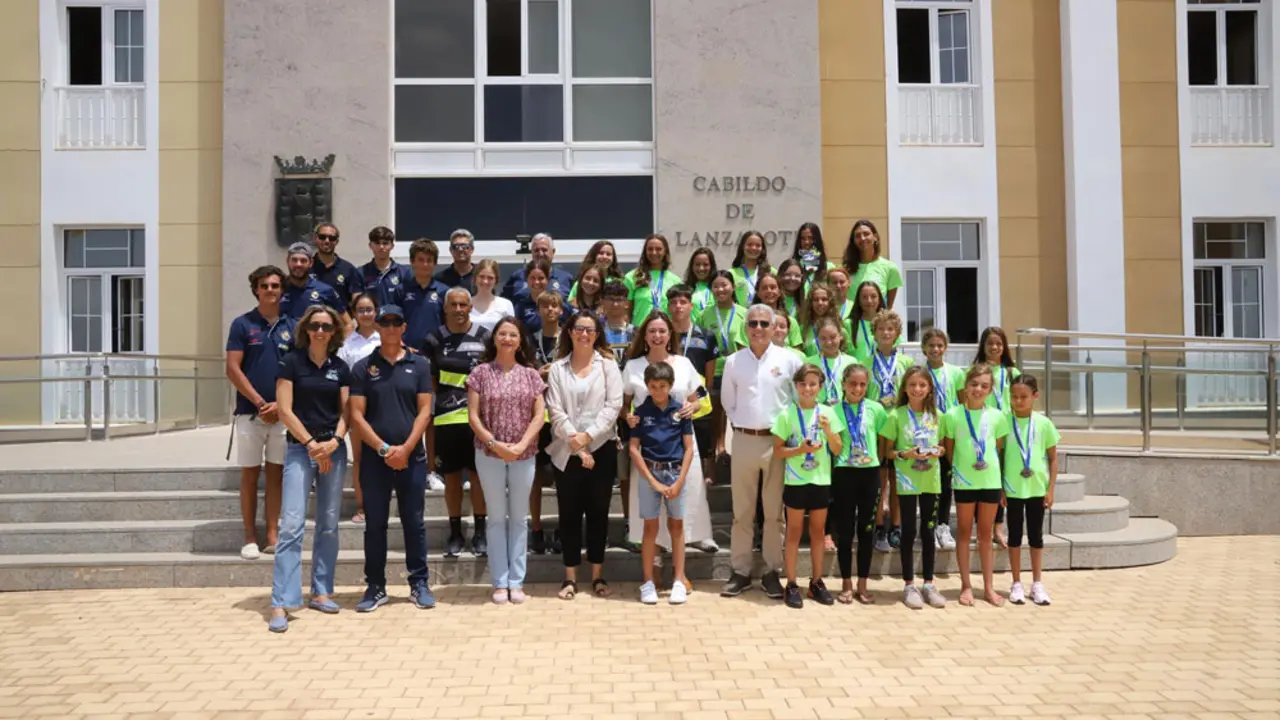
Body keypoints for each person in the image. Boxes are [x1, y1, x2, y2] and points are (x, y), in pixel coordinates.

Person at [348, 304, 435, 612]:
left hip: (412, 457)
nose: (390, 327)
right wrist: (384, 450)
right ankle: (375, 586)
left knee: (414, 523)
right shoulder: (363, 367)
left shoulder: (419, 364)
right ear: (377, 327)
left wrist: (406, 449)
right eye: (384, 322)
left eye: (396, 322)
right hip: (376, 460)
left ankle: (419, 583)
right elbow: (356, 415)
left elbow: (425, 411)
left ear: (404, 327)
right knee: (375, 525)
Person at [268, 305, 350, 633]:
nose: (320, 331)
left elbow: (347, 413)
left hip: (333, 451)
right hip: (300, 450)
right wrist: (312, 444)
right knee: (291, 525)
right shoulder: (291, 362)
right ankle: (282, 600)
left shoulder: (340, 367)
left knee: (328, 524)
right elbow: (284, 410)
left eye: (326, 327)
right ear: (306, 329)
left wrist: (334, 442)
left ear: (334, 332)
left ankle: (321, 591)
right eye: (315, 325)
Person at [720, 304, 803, 599]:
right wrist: (744, 424)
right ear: (746, 327)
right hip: (744, 439)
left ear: (773, 327)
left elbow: (796, 401)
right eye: (752, 323)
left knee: (773, 513)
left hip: (777, 443)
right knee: (742, 512)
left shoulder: (789, 360)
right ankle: (740, 571)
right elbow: (728, 402)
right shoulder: (733, 361)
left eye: (764, 324)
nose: (758, 328)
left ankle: (771, 571)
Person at [622, 312, 715, 575]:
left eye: (662, 331)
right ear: (644, 335)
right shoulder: (633, 366)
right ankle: (655, 565)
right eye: (652, 331)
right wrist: (627, 416)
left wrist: (693, 406)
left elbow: (701, 398)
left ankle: (679, 572)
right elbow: (623, 404)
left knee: (680, 509)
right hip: (647, 449)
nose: (657, 336)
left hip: (680, 447)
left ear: (670, 334)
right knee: (651, 514)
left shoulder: (684, 364)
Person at [467, 318, 547, 605]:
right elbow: (473, 416)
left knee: (519, 518)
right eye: (502, 334)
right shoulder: (480, 373)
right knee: (496, 518)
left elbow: (539, 415)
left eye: (513, 334)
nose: (507, 339)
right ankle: (500, 581)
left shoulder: (531, 375)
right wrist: (494, 444)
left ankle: (517, 581)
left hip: (524, 454)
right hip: (489, 453)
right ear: (495, 338)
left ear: (520, 340)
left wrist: (522, 444)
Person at [545, 311, 624, 599]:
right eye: (579, 328)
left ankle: (597, 576)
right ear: (570, 332)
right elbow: (555, 410)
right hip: (566, 451)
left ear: (597, 334)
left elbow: (613, 406)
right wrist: (577, 445)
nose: (584, 334)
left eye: (590, 330)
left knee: (598, 514)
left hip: (601, 448)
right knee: (568, 514)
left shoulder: (608, 366)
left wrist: (588, 438)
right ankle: (570, 578)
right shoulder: (557, 368)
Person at [224, 265, 295, 560]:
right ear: (256, 289)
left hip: (283, 415)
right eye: (264, 285)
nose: (270, 290)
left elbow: (298, 371)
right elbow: (233, 368)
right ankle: (250, 537)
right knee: (250, 476)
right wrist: (259, 402)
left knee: (276, 475)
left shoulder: (293, 326)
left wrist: (280, 405)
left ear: (282, 290)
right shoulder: (242, 324)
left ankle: (272, 535)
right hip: (250, 414)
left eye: (275, 285)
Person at [422, 288, 490, 558]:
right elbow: (430, 383)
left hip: (479, 421)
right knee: (451, 479)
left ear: (470, 307)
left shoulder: (485, 337)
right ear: (445, 308)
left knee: (478, 477)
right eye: (454, 304)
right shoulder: (433, 339)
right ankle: (455, 533)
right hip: (447, 420)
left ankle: (481, 533)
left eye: (463, 304)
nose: (459, 309)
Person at [771, 363, 844, 609]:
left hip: (820, 480)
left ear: (820, 387)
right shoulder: (786, 414)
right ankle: (791, 583)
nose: (808, 388)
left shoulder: (828, 413)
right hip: (795, 480)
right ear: (796, 386)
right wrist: (800, 450)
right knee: (793, 532)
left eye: (813, 384)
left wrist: (828, 430)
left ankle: (816, 582)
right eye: (803, 384)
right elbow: (778, 451)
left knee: (818, 532)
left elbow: (837, 449)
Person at [941, 363, 1009, 607]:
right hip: (965, 481)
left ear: (990, 390)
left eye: (984, 386)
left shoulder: (997, 416)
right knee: (963, 532)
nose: (978, 389)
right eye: (974, 384)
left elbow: (998, 449)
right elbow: (949, 450)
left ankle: (988, 587)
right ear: (966, 386)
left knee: (985, 535)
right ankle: (966, 585)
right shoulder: (952, 415)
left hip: (990, 481)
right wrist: (962, 471)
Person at [880, 367, 947, 609]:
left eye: (922, 385)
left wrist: (938, 451)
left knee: (928, 532)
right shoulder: (895, 416)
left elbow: (943, 448)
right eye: (912, 385)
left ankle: (928, 584)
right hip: (907, 481)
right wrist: (904, 454)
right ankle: (909, 585)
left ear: (929, 389)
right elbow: (887, 452)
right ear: (905, 388)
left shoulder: (938, 416)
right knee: (908, 532)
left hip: (931, 480)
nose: (917, 389)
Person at [629, 361, 695, 605]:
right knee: (650, 528)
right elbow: (633, 449)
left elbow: (689, 448)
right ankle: (647, 582)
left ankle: (678, 580)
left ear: (671, 385)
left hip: (676, 473)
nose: (658, 391)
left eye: (663, 386)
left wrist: (679, 481)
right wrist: (653, 482)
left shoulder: (680, 411)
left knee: (677, 527)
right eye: (653, 386)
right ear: (647, 386)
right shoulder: (641, 412)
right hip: (650, 473)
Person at [830, 364, 887, 605]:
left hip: (869, 473)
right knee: (845, 531)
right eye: (853, 383)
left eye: (863, 384)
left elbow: (882, 440)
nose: (858, 388)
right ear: (843, 384)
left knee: (866, 531)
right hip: (844, 473)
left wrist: (877, 462)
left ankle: (862, 584)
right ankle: (846, 583)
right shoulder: (833, 410)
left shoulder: (876, 409)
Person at [1001, 374, 1060, 606]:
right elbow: (999, 456)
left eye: (1023, 396)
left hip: (1036, 489)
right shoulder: (1004, 422)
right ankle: (1016, 582)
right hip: (1013, 489)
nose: (1018, 401)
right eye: (1014, 396)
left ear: (1035, 396)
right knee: (1014, 535)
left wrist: (1051, 489)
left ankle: (1037, 583)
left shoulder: (1044, 423)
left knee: (1036, 536)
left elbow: (1053, 459)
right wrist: (1001, 489)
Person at [869, 309, 915, 553]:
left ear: (897, 333)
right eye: (881, 329)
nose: (885, 333)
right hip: (876, 426)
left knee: (898, 479)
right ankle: (879, 526)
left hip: (899, 425)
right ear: (874, 333)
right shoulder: (865, 362)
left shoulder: (907, 363)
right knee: (879, 480)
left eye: (890, 329)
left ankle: (896, 525)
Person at [667, 284, 720, 494]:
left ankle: (707, 474)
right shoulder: (663, 334)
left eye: (683, 302)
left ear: (691, 306)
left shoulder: (706, 336)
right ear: (668, 306)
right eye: (673, 302)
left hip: (697, 399)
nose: (678, 306)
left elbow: (709, 375)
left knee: (703, 439)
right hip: (670, 398)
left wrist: (699, 397)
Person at [974, 325, 1021, 548]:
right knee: (982, 477)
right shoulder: (975, 371)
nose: (994, 347)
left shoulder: (1012, 373)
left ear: (1005, 347)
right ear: (983, 346)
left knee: (1001, 477)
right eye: (990, 343)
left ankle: (997, 527)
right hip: (981, 429)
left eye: (999, 343)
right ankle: (981, 527)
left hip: (1007, 430)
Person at [600, 280, 638, 551]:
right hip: (599, 410)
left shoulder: (636, 332)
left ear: (627, 303)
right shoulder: (595, 332)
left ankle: (629, 525)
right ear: (602, 302)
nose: (615, 303)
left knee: (627, 475)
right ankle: (598, 527)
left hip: (629, 411)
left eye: (620, 298)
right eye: (610, 298)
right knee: (601, 476)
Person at [338, 292, 381, 524]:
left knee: (384, 456)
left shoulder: (385, 338)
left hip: (384, 408)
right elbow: (343, 381)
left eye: (369, 309)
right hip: (358, 409)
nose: (365, 314)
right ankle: (363, 506)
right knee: (360, 460)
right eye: (361, 310)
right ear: (354, 313)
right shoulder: (346, 344)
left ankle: (383, 505)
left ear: (376, 311)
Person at [528, 290, 566, 554]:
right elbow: (522, 371)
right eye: (545, 306)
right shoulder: (531, 340)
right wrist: (536, 374)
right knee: (535, 474)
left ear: (561, 310)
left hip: (563, 413)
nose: (550, 310)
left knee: (564, 474)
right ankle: (537, 529)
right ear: (538, 310)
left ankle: (564, 527)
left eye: (554, 306)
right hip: (538, 416)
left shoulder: (570, 339)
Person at [921, 327, 965, 550]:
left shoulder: (956, 373)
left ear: (946, 348)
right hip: (927, 431)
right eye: (931, 345)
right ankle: (928, 525)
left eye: (939, 345)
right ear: (924, 348)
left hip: (949, 432)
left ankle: (943, 525)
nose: (935, 349)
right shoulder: (920, 373)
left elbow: (963, 403)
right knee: (928, 481)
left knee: (946, 481)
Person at [385, 238, 449, 350]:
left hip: (436, 352)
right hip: (407, 351)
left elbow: (448, 324)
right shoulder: (401, 290)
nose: (425, 264)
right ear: (412, 261)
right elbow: (393, 322)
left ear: (435, 264)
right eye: (420, 260)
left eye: (429, 260)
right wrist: (401, 345)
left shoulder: (444, 291)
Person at [842, 220, 903, 309]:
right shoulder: (845, 269)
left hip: (876, 317)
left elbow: (888, 308)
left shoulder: (890, 268)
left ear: (875, 237)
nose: (862, 238)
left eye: (866, 234)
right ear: (854, 241)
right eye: (858, 236)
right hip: (851, 317)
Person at [624, 233, 682, 326]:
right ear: (645, 252)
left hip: (665, 331)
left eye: (658, 249)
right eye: (650, 249)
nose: (654, 252)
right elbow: (626, 311)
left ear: (665, 252)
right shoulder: (632, 277)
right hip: (639, 331)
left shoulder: (675, 281)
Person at [279, 242, 345, 320]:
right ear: (287, 261)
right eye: (294, 260)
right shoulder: (277, 288)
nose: (298, 264)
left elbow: (348, 324)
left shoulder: (326, 290)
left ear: (311, 263)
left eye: (303, 260)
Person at [501, 233, 573, 303]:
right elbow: (504, 304)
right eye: (536, 250)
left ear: (553, 252)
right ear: (531, 252)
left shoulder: (566, 278)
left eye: (544, 250)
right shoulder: (517, 276)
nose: (540, 254)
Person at [805, 317, 856, 406]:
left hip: (845, 411)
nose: (829, 342)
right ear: (817, 339)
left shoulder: (851, 362)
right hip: (818, 411)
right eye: (823, 338)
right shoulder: (809, 364)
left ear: (840, 336)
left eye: (833, 337)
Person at [310, 223, 361, 309]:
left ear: (337, 241)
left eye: (332, 238)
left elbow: (357, 302)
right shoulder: (306, 268)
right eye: (322, 237)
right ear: (315, 239)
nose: (327, 241)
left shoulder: (349, 269)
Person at [358, 226, 411, 305]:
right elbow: (357, 304)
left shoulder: (405, 272)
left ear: (392, 246)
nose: (381, 247)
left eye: (385, 243)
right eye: (377, 243)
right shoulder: (360, 273)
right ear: (370, 246)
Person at [513, 259, 567, 334]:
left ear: (548, 279)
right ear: (526, 279)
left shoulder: (560, 304)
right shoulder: (520, 307)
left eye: (541, 278)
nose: (536, 282)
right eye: (532, 278)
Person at [849, 281, 896, 366]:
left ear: (879, 299)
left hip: (882, 371)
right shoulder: (849, 324)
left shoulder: (889, 323)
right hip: (858, 372)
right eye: (864, 297)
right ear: (858, 300)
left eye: (873, 296)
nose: (869, 301)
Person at [752, 273, 801, 349]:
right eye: (764, 288)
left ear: (779, 292)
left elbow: (797, 351)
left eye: (773, 287)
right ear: (758, 293)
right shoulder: (750, 322)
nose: (769, 291)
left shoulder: (791, 322)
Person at [797, 281, 842, 357]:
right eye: (816, 299)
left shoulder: (839, 328)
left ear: (830, 302)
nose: (820, 303)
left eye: (824, 299)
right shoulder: (803, 329)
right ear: (810, 303)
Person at [469, 259, 514, 333]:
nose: (485, 281)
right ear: (475, 278)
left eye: (490, 278)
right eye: (481, 276)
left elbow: (511, 332)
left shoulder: (506, 304)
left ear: (496, 280)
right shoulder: (466, 304)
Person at [730, 230, 773, 307]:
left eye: (758, 245)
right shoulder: (732, 273)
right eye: (749, 244)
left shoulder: (770, 271)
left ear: (762, 249)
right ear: (742, 247)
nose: (753, 248)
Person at [682, 247, 718, 323]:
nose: (701, 268)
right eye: (697, 264)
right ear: (692, 266)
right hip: (693, 329)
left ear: (711, 266)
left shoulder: (719, 288)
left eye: (705, 264)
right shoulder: (685, 289)